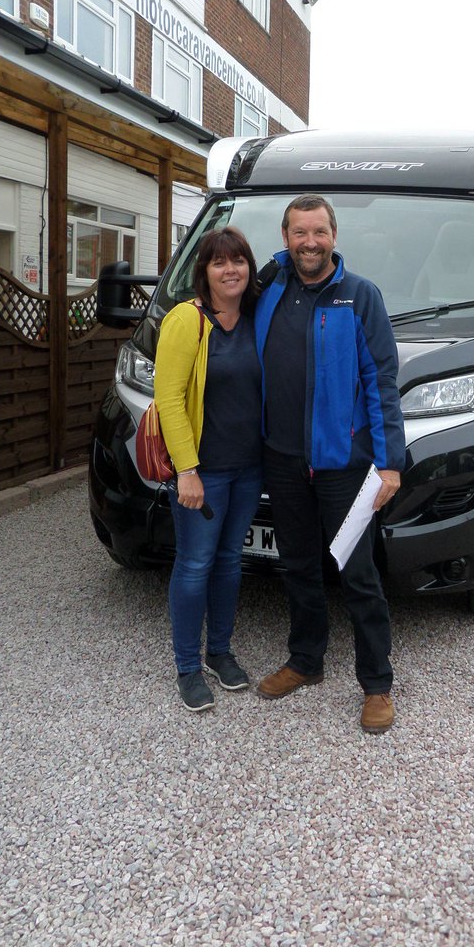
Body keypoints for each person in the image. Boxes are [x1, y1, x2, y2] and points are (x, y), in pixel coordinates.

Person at [254, 194, 406, 733]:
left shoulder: (360, 297)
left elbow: (382, 382)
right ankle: (305, 661)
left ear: (334, 236)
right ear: (287, 236)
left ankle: (378, 683)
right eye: (299, 233)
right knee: (297, 565)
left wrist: (390, 463)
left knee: (358, 572)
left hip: (343, 464)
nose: (309, 243)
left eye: (318, 232)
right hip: (283, 458)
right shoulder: (270, 290)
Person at [154, 227, 262, 712]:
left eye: (238, 260)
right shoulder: (187, 320)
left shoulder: (259, 317)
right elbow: (169, 399)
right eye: (220, 262)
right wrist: (187, 470)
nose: (230, 270)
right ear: (205, 271)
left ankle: (219, 652)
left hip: (248, 468)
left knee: (228, 564)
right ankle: (187, 668)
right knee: (194, 564)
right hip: (206, 471)